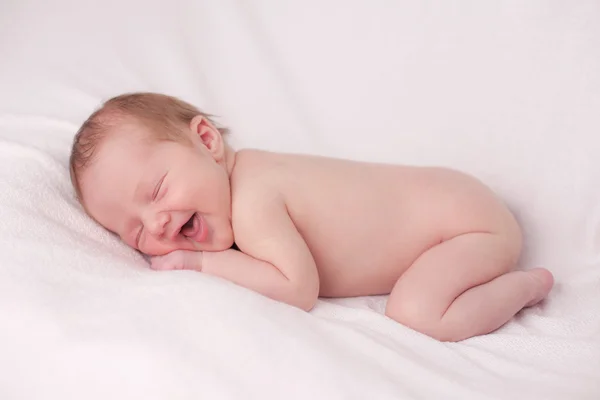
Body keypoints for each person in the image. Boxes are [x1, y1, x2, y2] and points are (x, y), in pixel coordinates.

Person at [69, 92, 554, 342]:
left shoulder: (254, 197)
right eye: (133, 231)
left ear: (207, 142)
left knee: (416, 313)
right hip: (456, 201)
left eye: (155, 190)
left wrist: (198, 265)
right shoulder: (245, 178)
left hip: (467, 226)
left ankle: (527, 286)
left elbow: (297, 288)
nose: (155, 224)